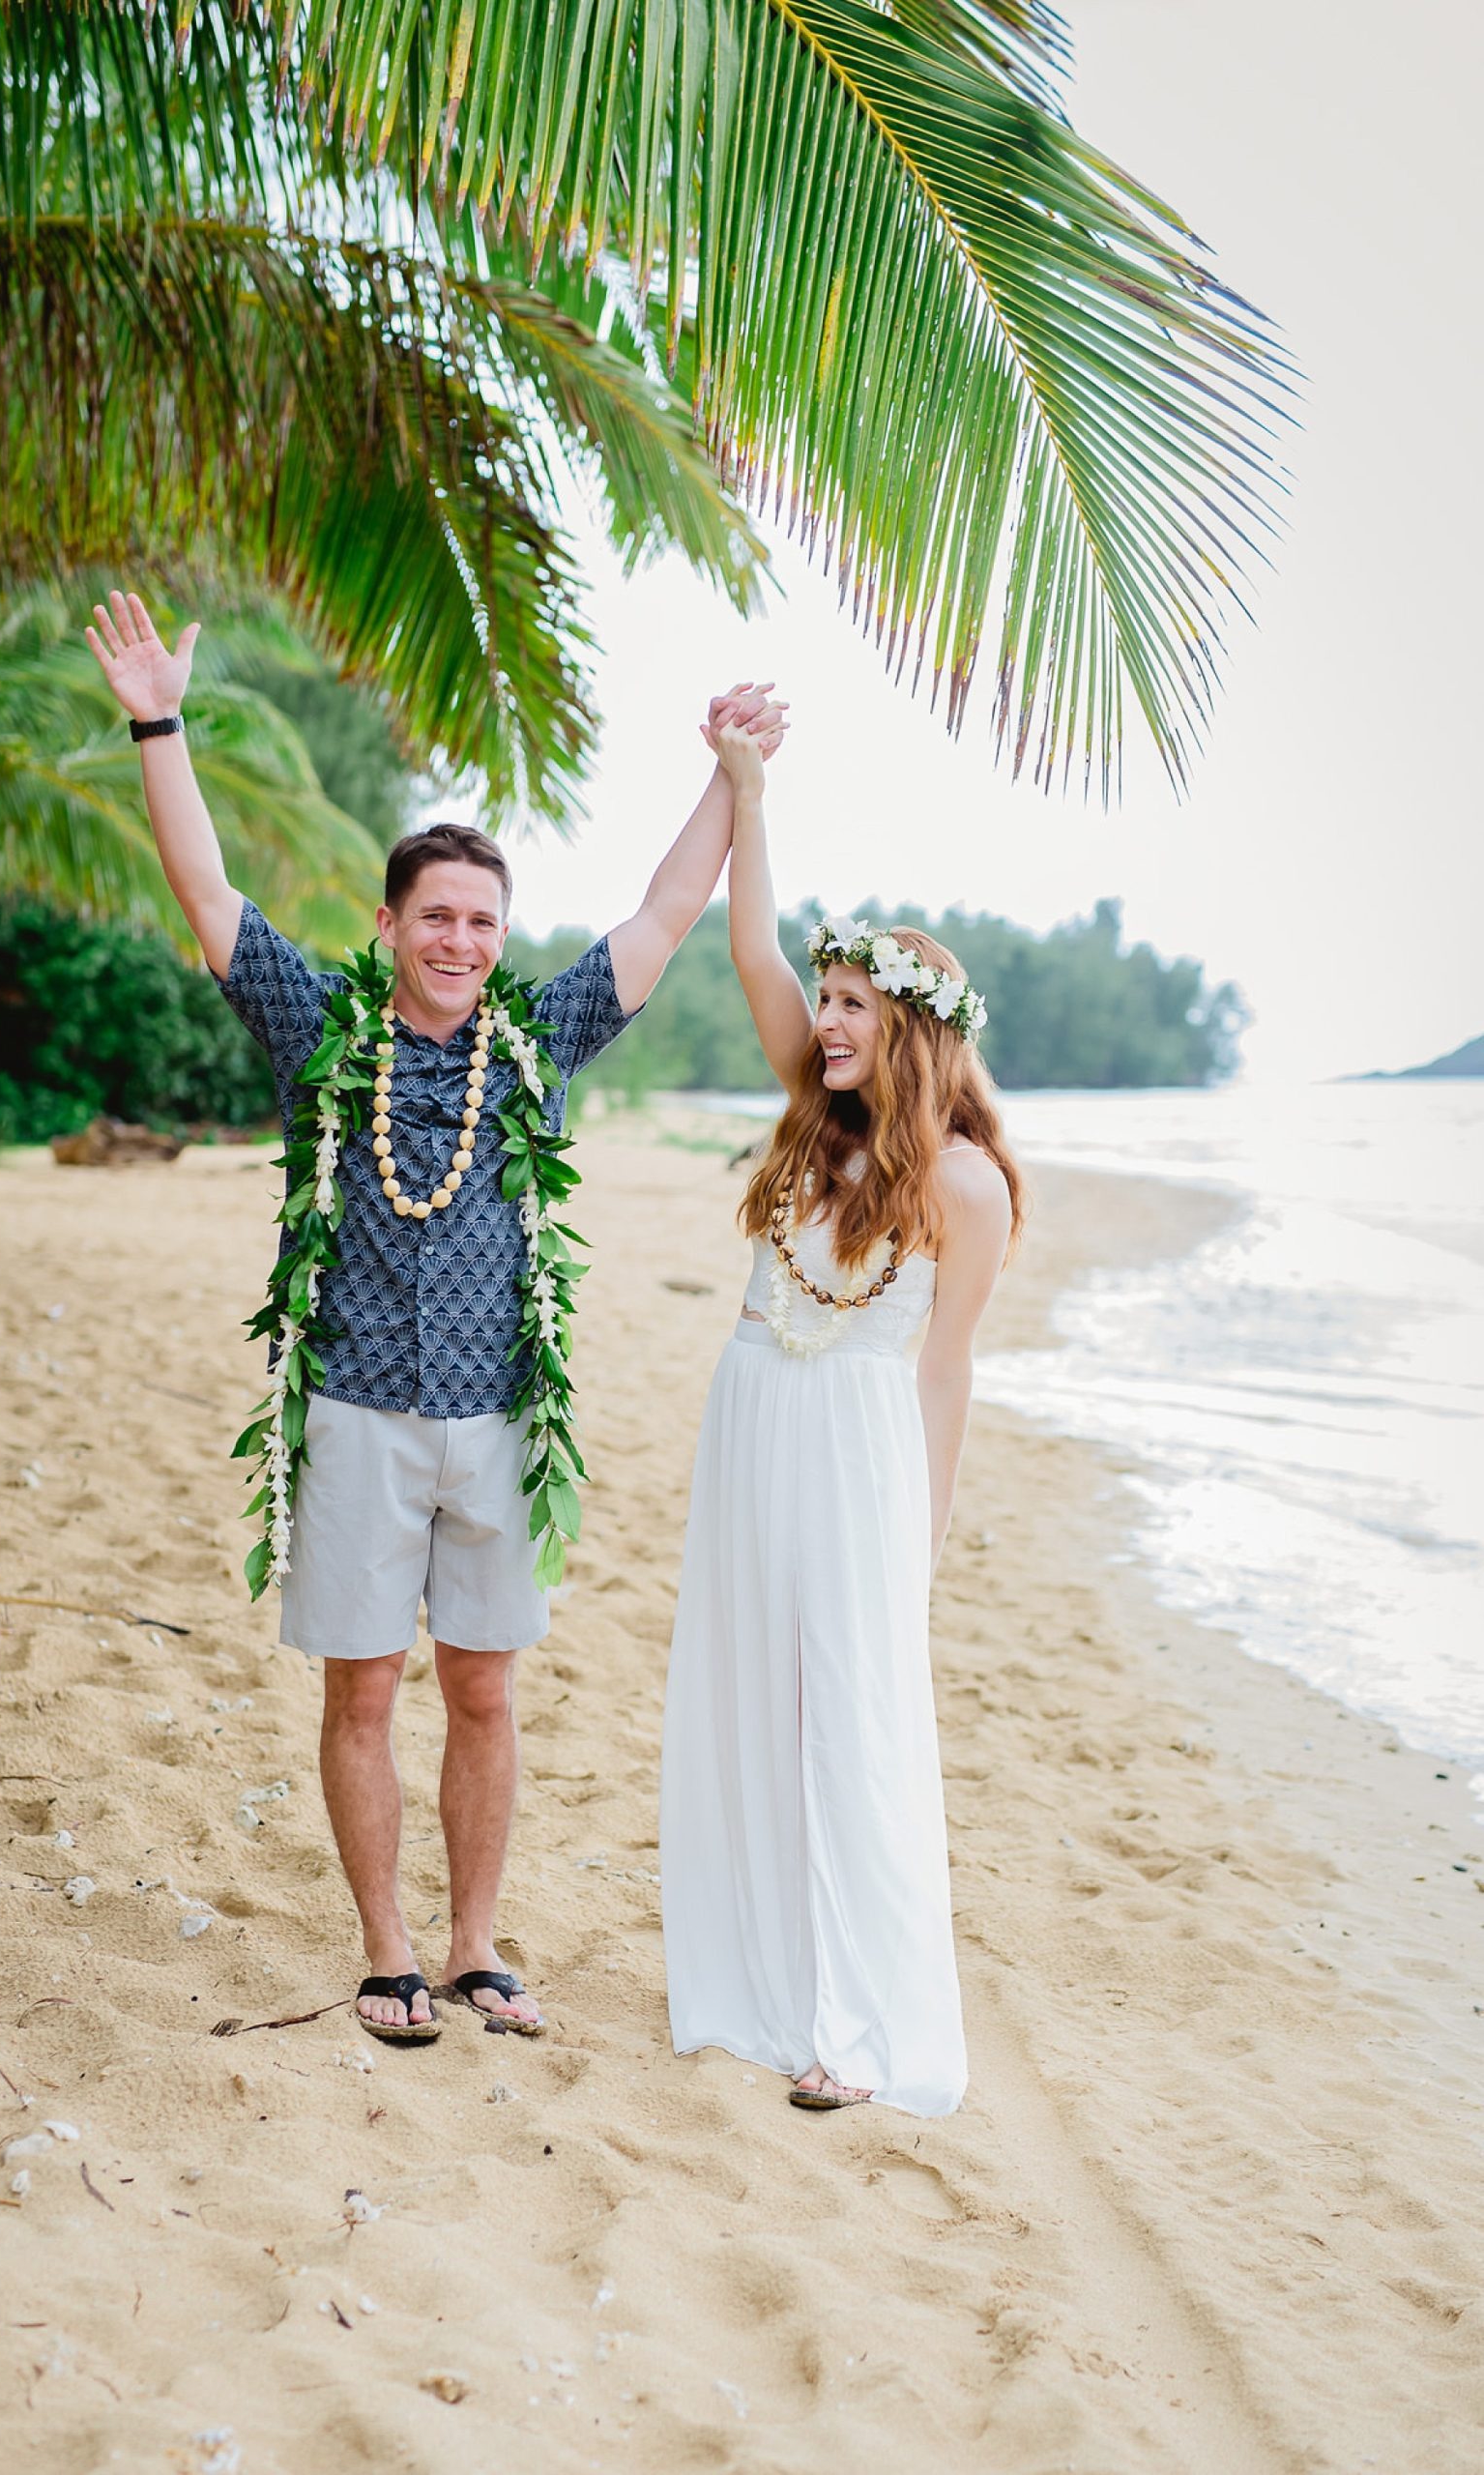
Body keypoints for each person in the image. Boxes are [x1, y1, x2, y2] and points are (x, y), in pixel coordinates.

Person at [84, 588, 786, 2046]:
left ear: (498, 934)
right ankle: (386, 1950)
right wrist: (159, 719)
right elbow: (209, 896)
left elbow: (664, 915)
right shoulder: (317, 1032)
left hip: (499, 1422)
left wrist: (728, 777)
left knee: (482, 1696)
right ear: (392, 923)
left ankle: (476, 1949)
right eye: (438, 917)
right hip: (349, 1411)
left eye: (483, 921)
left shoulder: (538, 1041)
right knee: (361, 1697)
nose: (461, 940)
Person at [659, 721, 1023, 2114]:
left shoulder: (969, 1188)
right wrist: (749, 794)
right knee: (755, 1694)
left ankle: (851, 2029)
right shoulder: (811, 1123)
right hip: (752, 1420)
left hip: (863, 1454)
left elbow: (944, 1372)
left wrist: (919, 1536)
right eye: (824, 1000)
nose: (824, 1018)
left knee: (851, 1721)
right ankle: (762, 1981)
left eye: (853, 1004)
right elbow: (747, 953)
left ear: (912, 1026)